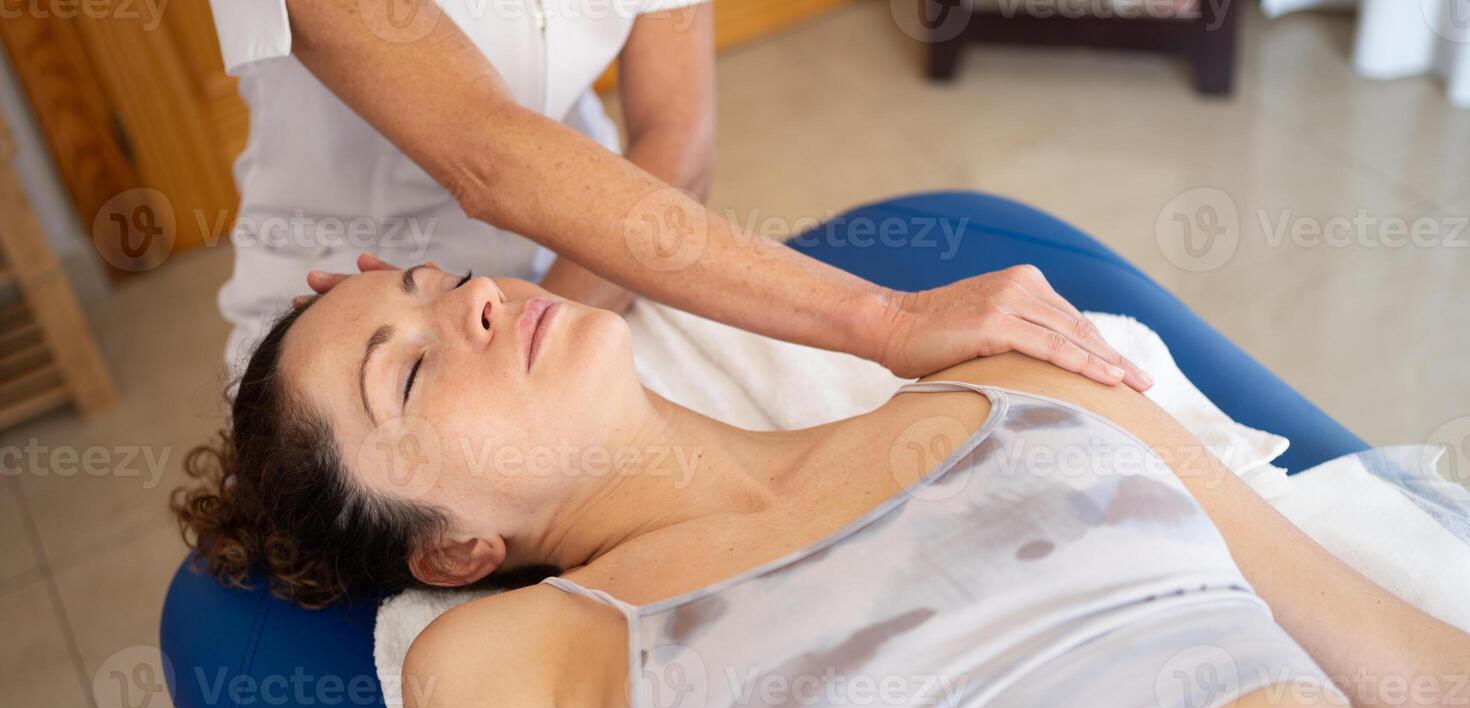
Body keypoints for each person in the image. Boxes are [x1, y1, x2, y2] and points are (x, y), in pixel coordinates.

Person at [173, 266, 1470, 708]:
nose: (473, 303)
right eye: (406, 367)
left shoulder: (1014, 389)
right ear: (452, 548)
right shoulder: (508, 670)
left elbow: (1419, 688)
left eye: (440, 280)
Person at [208, 0, 1152, 390]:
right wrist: (885, 320)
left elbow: (677, 140)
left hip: (598, 254)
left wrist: (541, 352)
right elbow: (486, 158)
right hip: (363, 320)